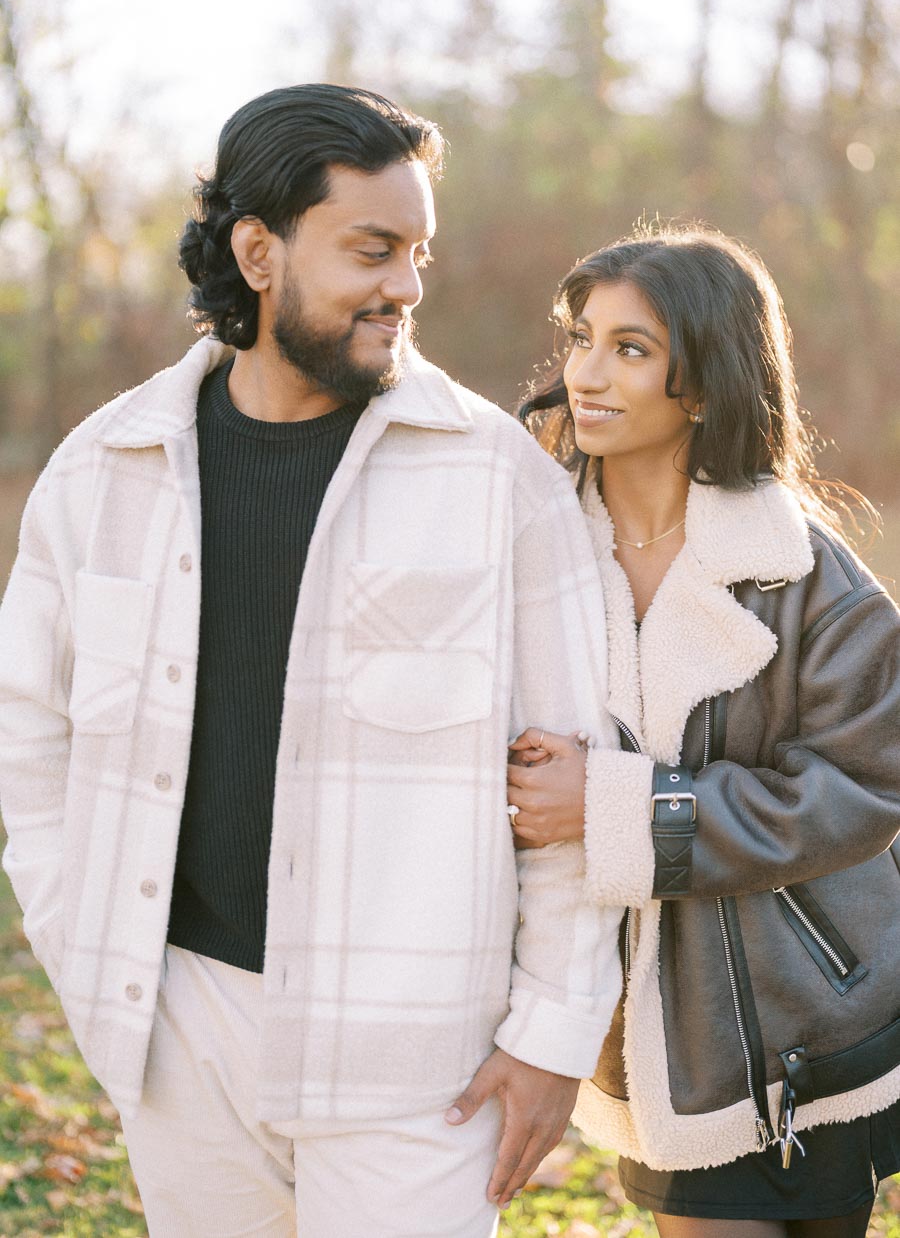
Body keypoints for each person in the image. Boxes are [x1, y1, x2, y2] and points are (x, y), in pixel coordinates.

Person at [0, 84, 625, 1238]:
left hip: (418, 1061)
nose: (408, 287)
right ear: (258, 252)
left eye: (418, 253)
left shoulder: (498, 481)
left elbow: (576, 782)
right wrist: (77, 937)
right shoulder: (103, 473)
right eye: (374, 250)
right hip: (176, 1029)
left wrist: (549, 1035)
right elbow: (29, 738)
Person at [507, 224, 900, 1238]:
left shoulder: (813, 582)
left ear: (710, 382)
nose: (587, 373)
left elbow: (864, 793)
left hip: (819, 1027)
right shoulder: (529, 558)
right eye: (583, 338)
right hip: (656, 1049)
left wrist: (618, 808)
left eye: (630, 349)